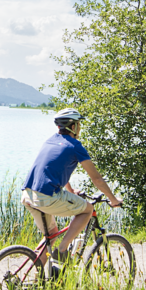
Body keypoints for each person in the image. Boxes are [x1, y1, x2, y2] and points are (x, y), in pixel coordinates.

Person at [21, 107, 121, 271]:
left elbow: (57, 169)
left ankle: (29, 278)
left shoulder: (50, 141)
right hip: (46, 197)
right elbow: (96, 178)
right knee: (87, 210)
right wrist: (113, 199)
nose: (79, 127)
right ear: (73, 127)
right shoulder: (75, 146)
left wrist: (71, 191)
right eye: (78, 124)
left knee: (51, 234)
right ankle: (62, 249)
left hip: (28, 195)